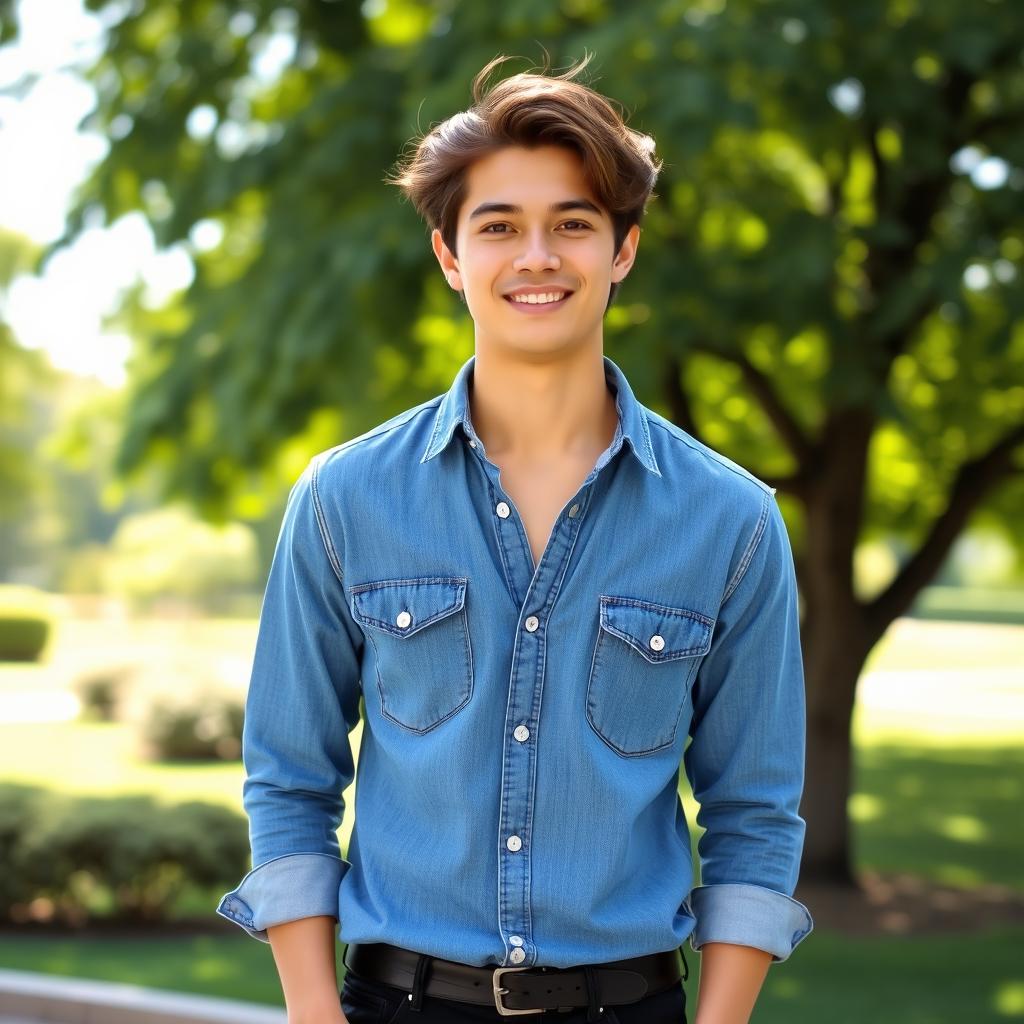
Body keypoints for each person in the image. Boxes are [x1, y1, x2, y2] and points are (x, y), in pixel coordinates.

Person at [216, 52, 814, 1024]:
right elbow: (289, 776)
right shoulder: (343, 498)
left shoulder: (732, 519)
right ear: (451, 256)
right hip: (396, 1001)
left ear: (621, 249)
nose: (536, 256)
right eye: (498, 227)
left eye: (572, 224)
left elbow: (754, 811)